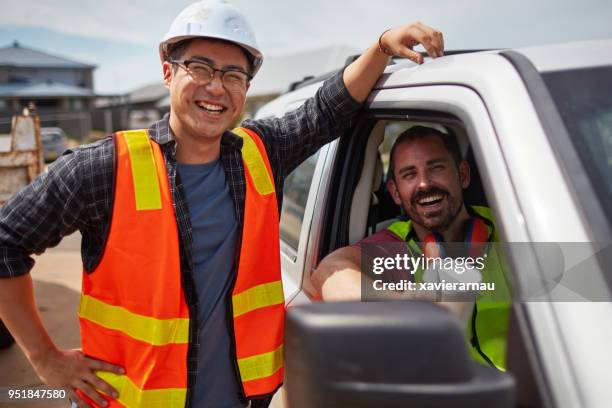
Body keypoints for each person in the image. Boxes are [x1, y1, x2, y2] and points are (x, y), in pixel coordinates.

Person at [0, 1, 445, 407]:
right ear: (168, 70)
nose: (217, 88)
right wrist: (44, 357)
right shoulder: (104, 168)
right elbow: (5, 241)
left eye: (233, 75)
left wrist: (383, 45)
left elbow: (328, 110)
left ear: (246, 87)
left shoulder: (258, 154)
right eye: (201, 67)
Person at [312, 125, 511, 370]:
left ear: (463, 174)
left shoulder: (510, 226)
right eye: (409, 174)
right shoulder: (393, 246)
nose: (424, 184)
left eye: (436, 168)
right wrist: (412, 301)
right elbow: (328, 271)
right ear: (395, 193)